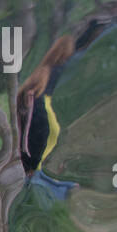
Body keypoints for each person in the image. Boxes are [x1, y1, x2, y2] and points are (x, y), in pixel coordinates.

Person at [17, 34, 77, 200]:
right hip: (37, 171)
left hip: (37, 167)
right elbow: (36, 134)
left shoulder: (41, 74)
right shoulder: (57, 73)